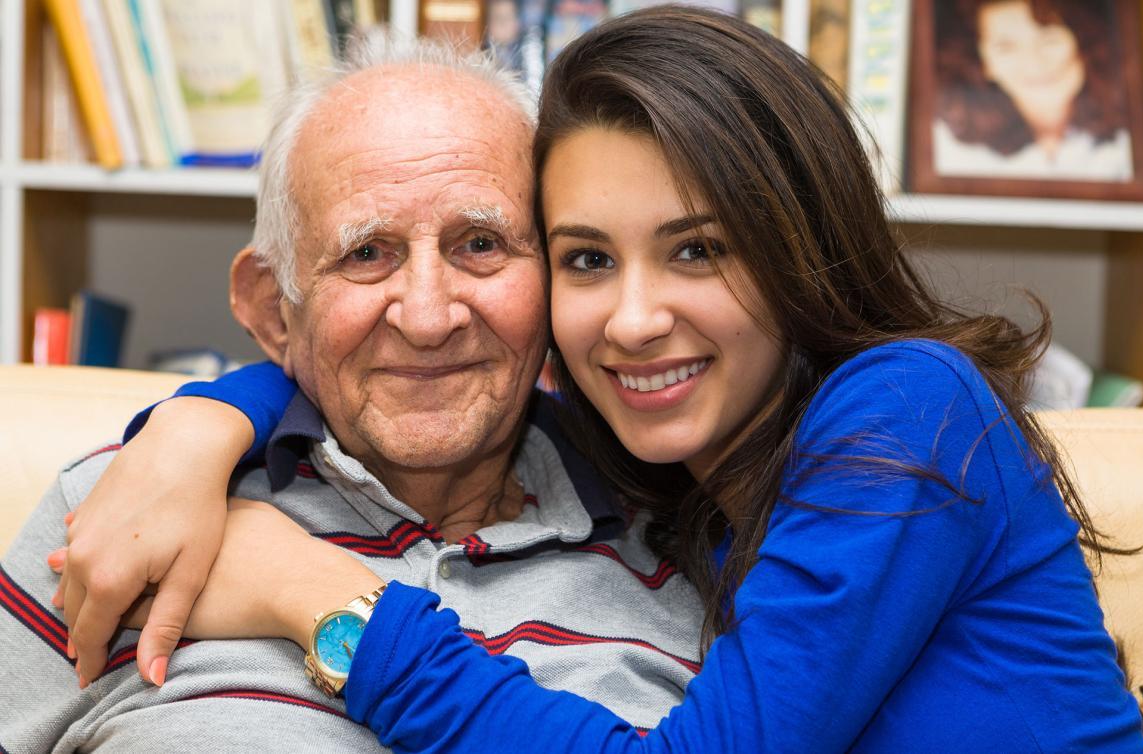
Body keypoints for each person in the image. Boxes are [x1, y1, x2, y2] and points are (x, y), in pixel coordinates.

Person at [54, 6, 1143, 752]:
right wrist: (198, 425)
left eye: (697, 249)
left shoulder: (904, 410)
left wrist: (317, 597)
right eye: (585, 258)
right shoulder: (653, 461)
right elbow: (412, 366)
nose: (630, 319)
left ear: (797, 246)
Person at [0, 32, 706, 752]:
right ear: (276, 309)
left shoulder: (698, 547)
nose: (429, 318)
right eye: (367, 253)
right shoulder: (125, 517)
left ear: (560, 278)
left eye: (481, 244)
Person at [933, 0, 1135, 181]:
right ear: (985, 64)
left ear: (1082, 44)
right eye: (1006, 47)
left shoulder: (1131, 137)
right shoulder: (949, 148)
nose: (1035, 63)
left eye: (1049, 40)